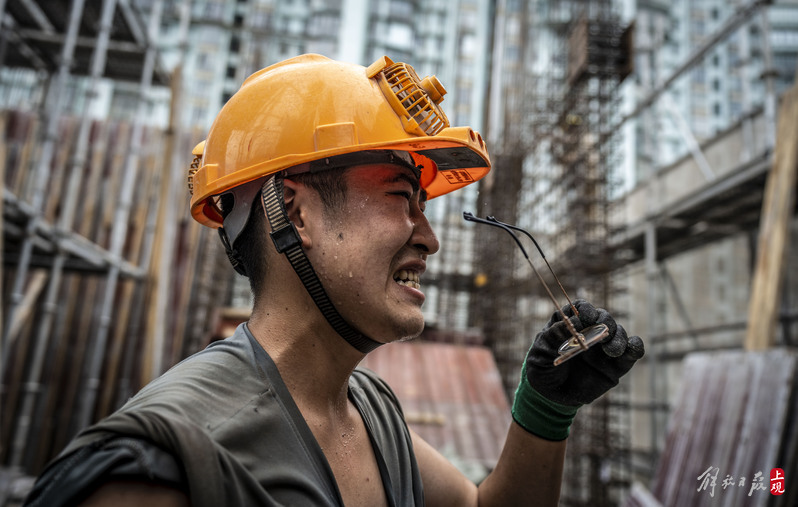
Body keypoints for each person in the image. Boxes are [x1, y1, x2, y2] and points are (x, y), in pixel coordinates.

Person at [24, 54, 644, 507]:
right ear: (296, 213)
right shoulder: (166, 472)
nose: (429, 238)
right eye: (404, 198)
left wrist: (545, 409)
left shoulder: (371, 413)